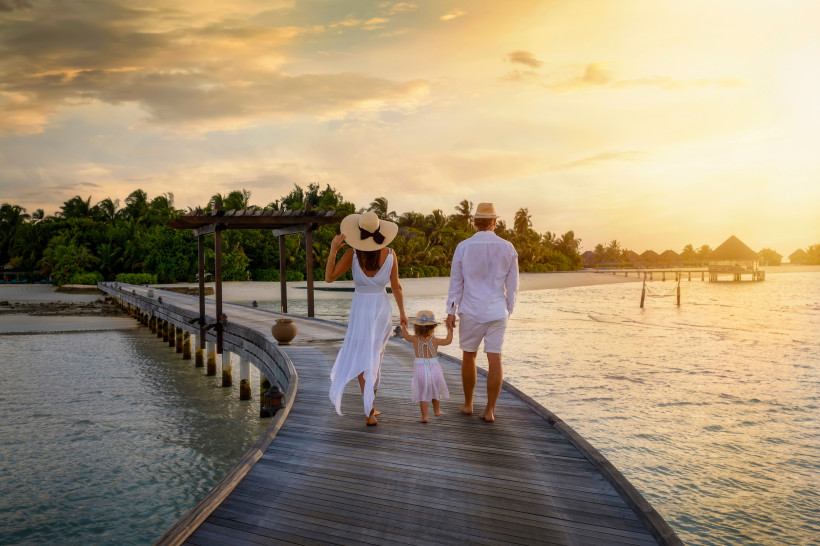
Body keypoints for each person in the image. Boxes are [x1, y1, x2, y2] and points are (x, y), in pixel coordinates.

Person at [326, 211, 408, 426]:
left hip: (361, 307)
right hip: (381, 307)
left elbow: (329, 277)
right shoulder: (390, 254)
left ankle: (369, 409)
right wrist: (403, 313)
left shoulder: (353, 254)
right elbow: (396, 287)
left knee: (365, 357)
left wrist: (334, 249)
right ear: (379, 231)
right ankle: (369, 407)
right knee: (375, 356)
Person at [445, 202, 518, 422]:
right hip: (497, 311)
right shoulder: (507, 247)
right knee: (495, 357)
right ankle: (490, 410)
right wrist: (509, 308)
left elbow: (456, 282)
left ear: (475, 222)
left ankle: (468, 404)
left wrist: (450, 310)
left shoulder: (464, 247)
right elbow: (513, 285)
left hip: (471, 309)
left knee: (469, 355)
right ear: (495, 222)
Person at [400, 310, 453, 423]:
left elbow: (405, 336)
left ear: (416, 327)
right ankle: (437, 411)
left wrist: (404, 325)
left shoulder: (414, 339)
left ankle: (425, 416)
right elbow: (447, 341)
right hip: (434, 368)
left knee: (423, 392)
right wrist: (450, 330)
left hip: (420, 368)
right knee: (436, 390)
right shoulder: (435, 340)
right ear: (433, 327)